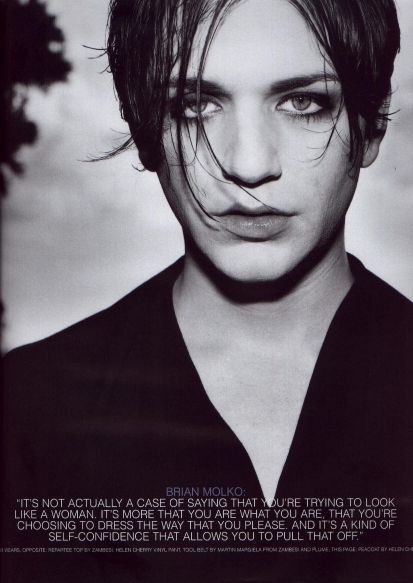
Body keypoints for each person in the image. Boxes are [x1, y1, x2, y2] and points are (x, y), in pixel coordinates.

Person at [1, 0, 412, 581]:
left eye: (304, 103)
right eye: (195, 106)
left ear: (372, 127)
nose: (249, 164)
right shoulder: (29, 411)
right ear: (146, 133)